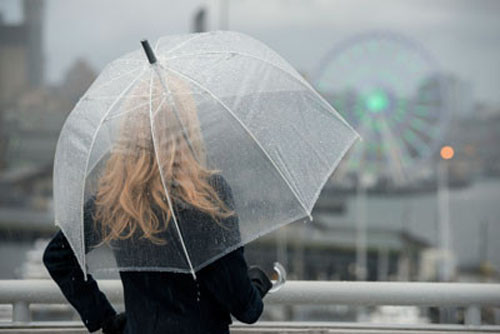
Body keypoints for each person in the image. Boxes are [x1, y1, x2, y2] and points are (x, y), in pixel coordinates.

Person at [43, 74, 272, 334]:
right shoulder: (208, 196)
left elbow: (58, 256)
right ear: (188, 125)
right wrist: (259, 281)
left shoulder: (117, 198)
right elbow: (246, 308)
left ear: (130, 130)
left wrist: (105, 318)